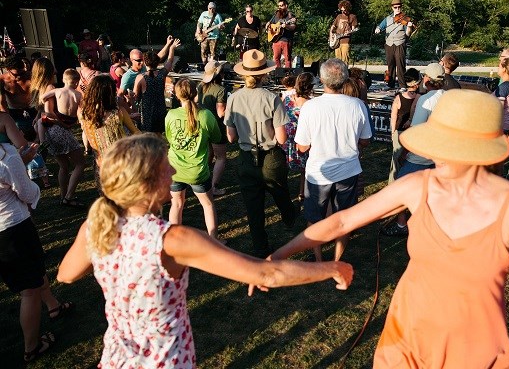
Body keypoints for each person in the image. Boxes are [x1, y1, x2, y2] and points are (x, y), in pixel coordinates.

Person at [263, 89, 509, 369]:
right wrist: (280, 254)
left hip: (472, 352)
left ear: (477, 151)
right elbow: (342, 221)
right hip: (404, 340)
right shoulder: (418, 186)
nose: (434, 155)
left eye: (446, 146)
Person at [56, 133, 353, 369]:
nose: (173, 170)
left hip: (117, 359)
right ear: (146, 182)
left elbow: (66, 275)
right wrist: (333, 268)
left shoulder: (95, 228)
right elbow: (267, 273)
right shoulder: (171, 240)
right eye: (165, 167)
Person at [0, 130, 74, 364]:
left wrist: (19, 164)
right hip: (13, 228)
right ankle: (31, 346)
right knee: (29, 290)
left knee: (36, 269)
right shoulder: (7, 156)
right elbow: (25, 191)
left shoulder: (10, 158)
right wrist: (22, 169)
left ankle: (53, 305)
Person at [294, 59, 372, 261]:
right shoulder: (358, 105)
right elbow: (365, 141)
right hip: (348, 170)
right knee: (344, 220)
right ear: (345, 78)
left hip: (319, 172)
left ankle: (319, 260)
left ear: (321, 80)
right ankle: (337, 260)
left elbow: (302, 146)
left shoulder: (310, 107)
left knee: (314, 219)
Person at [223, 49, 296, 258]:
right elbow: (282, 139)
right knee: (280, 190)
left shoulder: (234, 99)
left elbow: (231, 138)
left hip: (246, 157)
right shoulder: (272, 98)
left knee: (253, 208)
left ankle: (260, 248)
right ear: (264, 73)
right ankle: (289, 216)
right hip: (271, 155)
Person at [381, 63, 445, 237]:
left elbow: (416, 131)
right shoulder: (447, 97)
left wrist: (404, 153)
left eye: (424, 77)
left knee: (400, 187)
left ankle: (402, 224)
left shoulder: (426, 99)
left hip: (422, 154)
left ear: (428, 80)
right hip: (440, 155)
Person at [166, 78, 221, 241]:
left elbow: (170, 139)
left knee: (176, 204)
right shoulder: (206, 115)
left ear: (177, 96)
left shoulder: (170, 114)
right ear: (196, 93)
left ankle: (174, 241)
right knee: (208, 204)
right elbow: (217, 137)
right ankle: (214, 241)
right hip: (197, 171)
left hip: (174, 169)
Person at [33, 62, 86, 206]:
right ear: (77, 82)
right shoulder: (77, 94)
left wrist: (39, 113)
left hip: (51, 130)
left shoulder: (56, 91)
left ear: (64, 79)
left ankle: (63, 196)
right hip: (61, 129)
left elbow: (43, 98)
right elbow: (83, 109)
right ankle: (69, 196)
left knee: (64, 165)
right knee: (80, 163)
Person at [78, 75, 140, 182]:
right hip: (121, 162)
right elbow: (135, 132)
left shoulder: (84, 114)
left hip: (101, 164)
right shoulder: (118, 113)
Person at [133, 38, 180, 133]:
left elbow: (135, 96)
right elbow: (170, 62)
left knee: (146, 137)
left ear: (145, 62)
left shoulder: (140, 77)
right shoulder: (161, 74)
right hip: (160, 110)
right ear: (157, 62)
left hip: (147, 112)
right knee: (159, 135)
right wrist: (172, 48)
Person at [197, 61, 227, 195]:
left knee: (208, 152)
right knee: (221, 157)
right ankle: (214, 187)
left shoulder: (200, 86)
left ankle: (202, 178)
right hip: (215, 126)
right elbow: (221, 113)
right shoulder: (220, 90)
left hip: (202, 123)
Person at [388, 68, 421, 184]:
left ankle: (392, 184)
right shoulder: (420, 98)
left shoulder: (398, 97)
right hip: (413, 132)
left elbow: (393, 116)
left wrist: (393, 132)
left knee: (396, 160)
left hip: (399, 131)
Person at [280, 73, 310, 201]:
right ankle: (302, 192)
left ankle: (283, 191)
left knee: (284, 166)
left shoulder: (287, 99)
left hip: (287, 136)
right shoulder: (311, 104)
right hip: (302, 137)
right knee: (305, 168)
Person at [374, 0, 415, 89]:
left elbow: (407, 34)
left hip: (400, 43)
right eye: (395, 7)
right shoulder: (387, 18)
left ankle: (402, 85)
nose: (397, 9)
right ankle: (390, 84)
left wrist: (409, 27)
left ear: (401, 7)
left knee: (400, 65)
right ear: (392, 8)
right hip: (389, 44)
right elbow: (381, 26)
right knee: (390, 65)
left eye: (399, 7)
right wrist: (378, 29)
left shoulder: (405, 18)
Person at [0, 56, 36, 141]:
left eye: (22, 73)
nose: (19, 77)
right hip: (15, 113)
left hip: (33, 110)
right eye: (16, 74)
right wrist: (9, 121)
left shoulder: (30, 76)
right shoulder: (2, 80)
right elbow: (2, 102)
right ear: (8, 70)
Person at [266, 0, 297, 68]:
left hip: (286, 40)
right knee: (276, 58)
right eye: (279, 6)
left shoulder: (290, 16)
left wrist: (286, 26)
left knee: (287, 59)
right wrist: (268, 25)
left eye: (281, 5)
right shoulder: (276, 15)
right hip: (276, 40)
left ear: (286, 6)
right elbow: (271, 24)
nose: (280, 7)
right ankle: (278, 74)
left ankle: (287, 76)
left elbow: (293, 27)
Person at [329, 0, 358, 65]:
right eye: (341, 10)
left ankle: (345, 74)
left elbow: (353, 29)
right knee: (337, 61)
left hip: (346, 41)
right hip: (337, 42)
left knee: (345, 61)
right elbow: (332, 28)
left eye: (344, 10)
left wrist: (350, 32)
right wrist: (331, 37)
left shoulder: (352, 17)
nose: (343, 12)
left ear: (348, 8)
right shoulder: (339, 16)